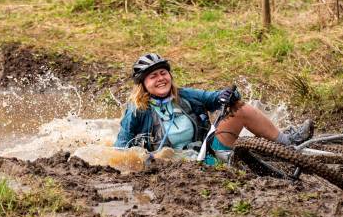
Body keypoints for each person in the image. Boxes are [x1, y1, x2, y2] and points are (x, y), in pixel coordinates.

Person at [114, 53, 313, 164]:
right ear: (143, 84)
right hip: (176, 168)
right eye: (153, 76)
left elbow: (215, 98)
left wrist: (228, 95)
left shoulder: (185, 95)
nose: (161, 79)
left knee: (239, 108)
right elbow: (121, 150)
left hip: (206, 155)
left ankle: (287, 141)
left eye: (163, 73)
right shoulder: (136, 111)